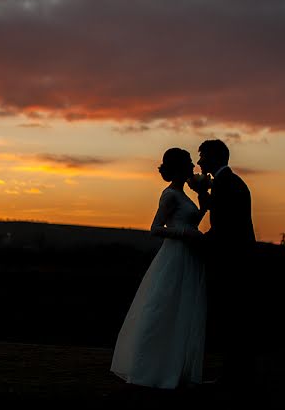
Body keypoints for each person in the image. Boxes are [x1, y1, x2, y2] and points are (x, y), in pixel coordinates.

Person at [110, 147, 208, 389]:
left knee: (182, 309)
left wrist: (203, 198)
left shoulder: (184, 195)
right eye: (188, 163)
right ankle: (151, 368)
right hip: (174, 257)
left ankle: (174, 365)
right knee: (164, 307)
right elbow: (155, 228)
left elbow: (195, 218)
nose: (193, 167)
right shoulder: (170, 195)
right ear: (179, 167)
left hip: (189, 257)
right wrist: (184, 233)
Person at [195, 139, 257, 394]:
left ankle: (235, 378)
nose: (199, 162)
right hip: (237, 260)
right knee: (235, 320)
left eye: (202, 156)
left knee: (233, 320)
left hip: (233, 262)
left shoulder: (227, 184)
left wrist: (196, 241)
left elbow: (225, 227)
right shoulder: (228, 182)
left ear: (214, 157)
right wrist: (202, 192)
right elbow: (220, 212)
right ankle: (236, 375)